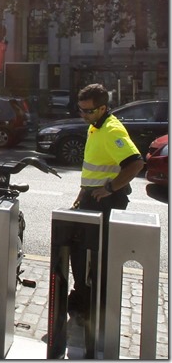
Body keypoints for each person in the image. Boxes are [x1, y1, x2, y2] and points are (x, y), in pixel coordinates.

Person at [68, 83, 144, 326]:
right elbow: (95, 166)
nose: (83, 115)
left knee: (93, 255)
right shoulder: (95, 126)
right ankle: (84, 299)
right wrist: (83, 191)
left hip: (107, 201)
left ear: (102, 108)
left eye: (88, 111)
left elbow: (136, 164)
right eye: (80, 109)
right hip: (93, 198)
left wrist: (110, 188)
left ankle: (91, 306)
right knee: (81, 252)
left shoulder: (111, 130)